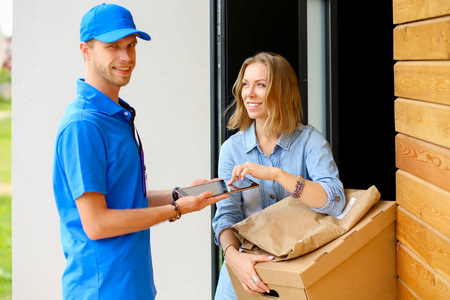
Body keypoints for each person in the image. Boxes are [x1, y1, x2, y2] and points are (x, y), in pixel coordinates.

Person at [52, 4, 228, 300]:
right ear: (86, 50)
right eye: (112, 47)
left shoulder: (115, 116)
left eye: (131, 45)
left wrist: (180, 194)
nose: (126, 57)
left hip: (133, 286)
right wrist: (175, 211)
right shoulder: (83, 125)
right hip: (101, 291)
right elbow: (96, 224)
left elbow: (123, 200)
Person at [212, 52, 346, 299]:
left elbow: (334, 202)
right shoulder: (232, 149)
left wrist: (277, 174)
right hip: (243, 273)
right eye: (245, 84)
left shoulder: (310, 142)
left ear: (282, 91)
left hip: (297, 274)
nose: (249, 93)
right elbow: (227, 216)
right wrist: (233, 257)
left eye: (260, 85)